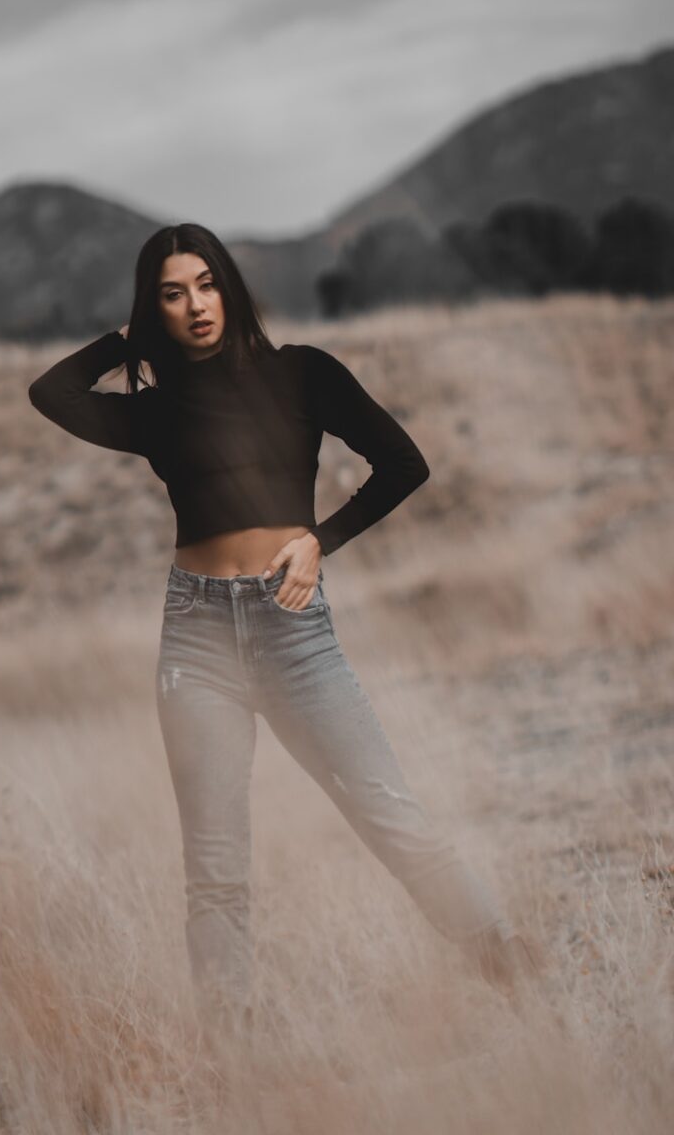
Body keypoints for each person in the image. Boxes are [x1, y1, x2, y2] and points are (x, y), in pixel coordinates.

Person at [28, 222, 543, 1043]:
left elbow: (403, 463)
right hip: (195, 637)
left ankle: (520, 980)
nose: (196, 305)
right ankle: (233, 1063)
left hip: (293, 629)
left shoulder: (304, 372)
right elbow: (51, 393)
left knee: (390, 814)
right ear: (156, 310)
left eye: (207, 284)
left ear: (230, 288)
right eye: (172, 294)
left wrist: (319, 540)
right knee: (215, 868)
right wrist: (125, 339)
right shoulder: (153, 411)